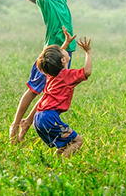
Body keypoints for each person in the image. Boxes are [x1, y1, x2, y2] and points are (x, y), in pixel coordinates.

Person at [9, 0, 98, 143]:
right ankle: (16, 124)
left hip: (66, 52)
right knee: (33, 89)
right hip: (50, 54)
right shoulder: (45, 4)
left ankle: (28, 123)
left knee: (52, 90)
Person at [33, 27, 92, 157]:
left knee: (65, 144)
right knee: (78, 141)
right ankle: (61, 165)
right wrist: (88, 52)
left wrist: (65, 43)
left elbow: (57, 58)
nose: (64, 49)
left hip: (38, 118)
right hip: (49, 118)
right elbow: (87, 71)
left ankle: (56, 161)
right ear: (63, 60)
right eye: (62, 50)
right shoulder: (68, 76)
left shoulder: (51, 74)